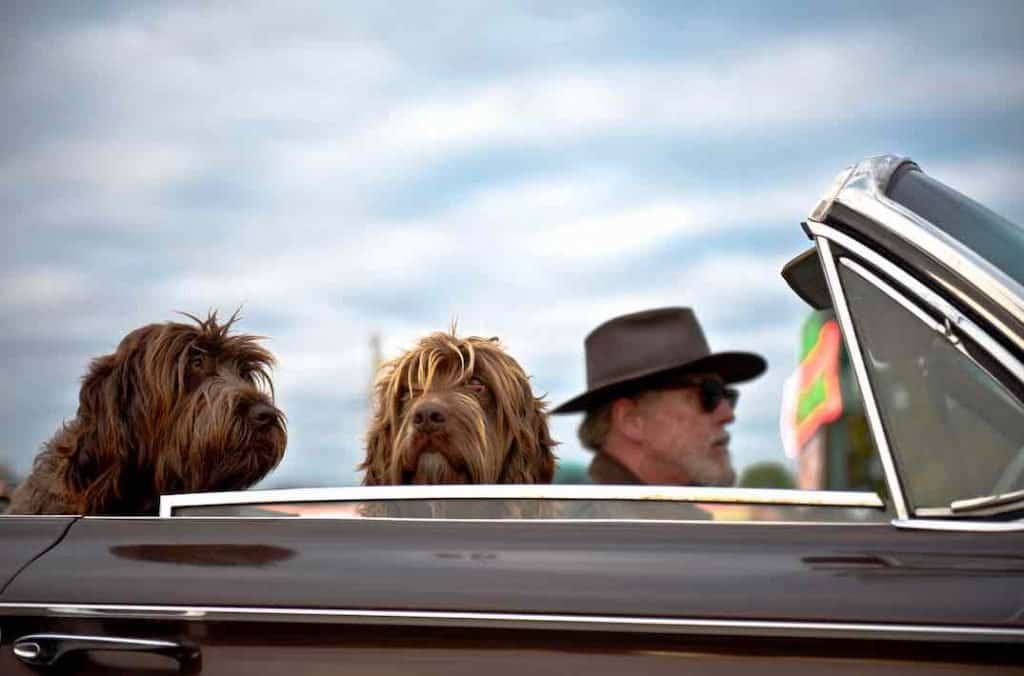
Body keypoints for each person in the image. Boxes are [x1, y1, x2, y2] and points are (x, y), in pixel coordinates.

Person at [552, 307, 766, 486]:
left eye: (727, 395)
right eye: (708, 393)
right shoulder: (592, 532)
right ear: (631, 420)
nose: (727, 414)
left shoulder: (654, 526)